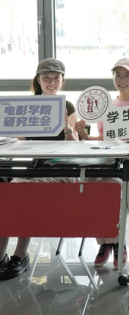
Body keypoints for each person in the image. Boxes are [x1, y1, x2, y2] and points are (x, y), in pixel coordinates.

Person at [74, 57, 129, 269]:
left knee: (110, 187)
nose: (122, 80)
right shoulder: (107, 107)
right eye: (118, 75)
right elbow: (104, 140)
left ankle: (115, 242)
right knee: (90, 185)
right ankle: (109, 242)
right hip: (109, 165)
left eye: (127, 75)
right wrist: (83, 135)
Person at [0, 58, 79, 281]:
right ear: (38, 79)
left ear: (62, 80)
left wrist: (67, 128)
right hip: (34, 168)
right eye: (46, 78)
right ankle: (4, 256)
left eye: (56, 78)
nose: (51, 82)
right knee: (9, 193)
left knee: (17, 192)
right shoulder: (28, 105)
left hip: (61, 171)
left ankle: (20, 254)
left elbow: (76, 145)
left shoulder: (67, 106)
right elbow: (20, 141)